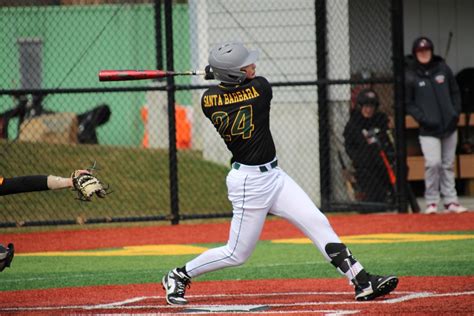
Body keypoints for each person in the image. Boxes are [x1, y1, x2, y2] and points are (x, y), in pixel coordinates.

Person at [161, 41, 398, 305]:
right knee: (237, 254)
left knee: (317, 221)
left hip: (274, 176)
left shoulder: (208, 101)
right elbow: (242, 85)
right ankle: (179, 274)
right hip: (250, 184)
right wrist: (218, 73)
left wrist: (218, 74)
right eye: (246, 65)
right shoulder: (261, 89)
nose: (253, 66)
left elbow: (222, 89)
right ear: (235, 75)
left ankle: (361, 280)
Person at [405, 36, 467, 214]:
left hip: (449, 125)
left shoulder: (443, 69)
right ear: (415, 54)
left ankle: (451, 201)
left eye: (426, 50)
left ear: (431, 52)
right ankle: (432, 201)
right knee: (433, 163)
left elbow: (455, 92)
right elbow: (409, 103)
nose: (424, 54)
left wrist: (455, 113)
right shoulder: (411, 75)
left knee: (448, 164)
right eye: (420, 51)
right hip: (428, 129)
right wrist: (423, 119)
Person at [343, 88, 393, 202]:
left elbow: (388, 142)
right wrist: (358, 159)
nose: (368, 110)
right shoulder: (353, 124)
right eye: (366, 107)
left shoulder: (381, 120)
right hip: (364, 165)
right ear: (360, 107)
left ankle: (391, 195)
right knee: (373, 196)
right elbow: (349, 146)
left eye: (371, 107)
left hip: (382, 162)